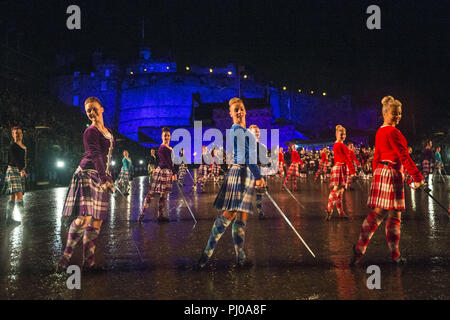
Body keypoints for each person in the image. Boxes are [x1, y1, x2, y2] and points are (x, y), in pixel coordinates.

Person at [351, 96, 424, 265]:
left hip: (384, 172)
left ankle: (375, 251)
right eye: (394, 113)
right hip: (391, 175)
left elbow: (378, 156)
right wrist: (418, 177)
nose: (397, 116)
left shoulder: (380, 131)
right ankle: (377, 252)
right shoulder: (392, 132)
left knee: (388, 214)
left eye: (399, 113)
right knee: (385, 214)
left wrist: (378, 173)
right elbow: (403, 156)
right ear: (384, 113)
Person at [194, 97, 266, 269]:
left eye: (241, 108)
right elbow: (247, 157)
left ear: (245, 111)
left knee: (242, 218)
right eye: (236, 110)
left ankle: (241, 257)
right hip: (240, 172)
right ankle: (206, 255)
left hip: (246, 173)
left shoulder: (244, 130)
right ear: (231, 114)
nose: (239, 112)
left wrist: (255, 174)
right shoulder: (237, 130)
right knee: (230, 214)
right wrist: (259, 176)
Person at [57, 97, 115, 272]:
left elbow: (108, 158)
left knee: (96, 221)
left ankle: (89, 263)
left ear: (102, 109)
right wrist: (104, 178)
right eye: (88, 110)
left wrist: (108, 177)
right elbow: (96, 155)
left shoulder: (108, 131)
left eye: (94, 109)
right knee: (84, 219)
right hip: (88, 174)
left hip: (101, 175)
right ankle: (65, 259)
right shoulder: (90, 131)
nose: (91, 112)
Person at [139, 127, 177, 223]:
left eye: (168, 135)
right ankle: (142, 213)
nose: (167, 137)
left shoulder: (170, 148)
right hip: (162, 172)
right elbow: (166, 162)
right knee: (151, 194)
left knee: (164, 195)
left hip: (168, 172)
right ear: (162, 136)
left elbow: (172, 162)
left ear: (170, 136)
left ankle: (160, 215)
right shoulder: (162, 148)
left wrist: (173, 171)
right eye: (165, 136)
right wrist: (174, 172)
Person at [325, 125, 356, 220]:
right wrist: (353, 171)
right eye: (341, 134)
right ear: (336, 134)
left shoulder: (336, 144)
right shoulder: (341, 145)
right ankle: (329, 208)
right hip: (340, 167)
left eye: (344, 134)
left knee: (340, 192)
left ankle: (340, 212)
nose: (343, 136)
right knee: (337, 191)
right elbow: (346, 159)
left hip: (338, 167)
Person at [4, 126, 27, 226]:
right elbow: (15, 159)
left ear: (22, 134)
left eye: (19, 133)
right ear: (12, 135)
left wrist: (23, 169)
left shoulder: (23, 145)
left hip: (19, 170)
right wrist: (21, 169)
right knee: (19, 195)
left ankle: (8, 220)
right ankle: (24, 219)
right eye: (16, 133)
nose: (18, 135)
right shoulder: (12, 146)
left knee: (13, 197)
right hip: (13, 170)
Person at [249, 124, 269, 220]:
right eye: (253, 131)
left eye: (257, 131)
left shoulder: (262, 146)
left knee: (259, 192)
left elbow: (264, 161)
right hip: (249, 171)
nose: (256, 133)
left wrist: (267, 163)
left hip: (259, 171)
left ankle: (260, 211)